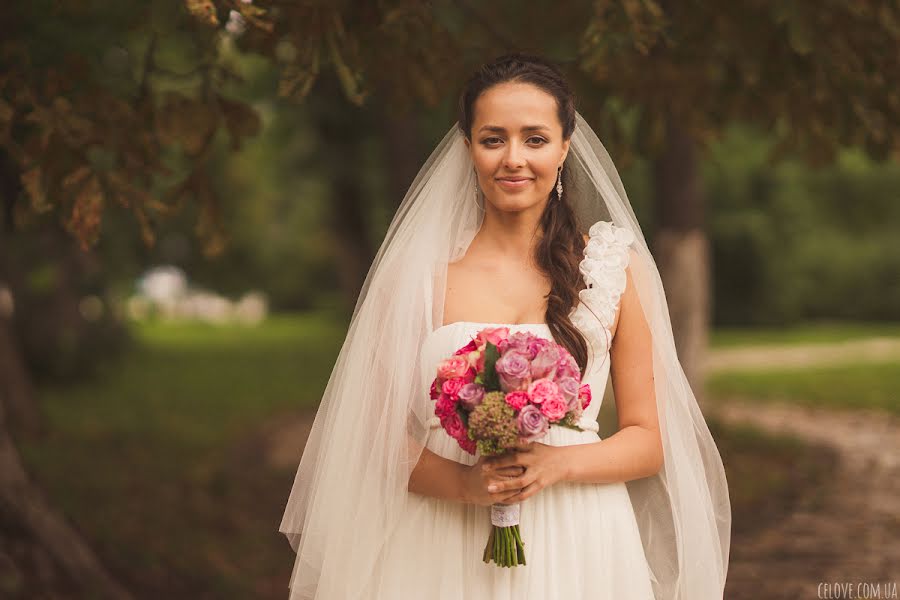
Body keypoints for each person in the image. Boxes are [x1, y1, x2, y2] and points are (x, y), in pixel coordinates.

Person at [279, 53, 731, 599]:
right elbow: (372, 437)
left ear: (565, 147)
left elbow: (648, 440)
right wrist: (467, 485)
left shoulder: (612, 267)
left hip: (578, 533)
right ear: (468, 147)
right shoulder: (418, 277)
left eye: (535, 139)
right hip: (438, 537)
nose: (513, 159)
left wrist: (557, 466)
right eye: (493, 139)